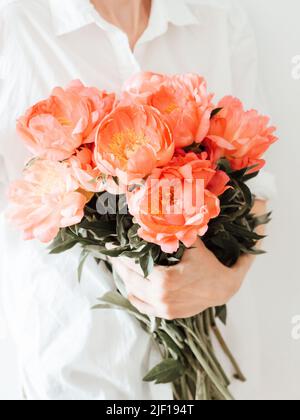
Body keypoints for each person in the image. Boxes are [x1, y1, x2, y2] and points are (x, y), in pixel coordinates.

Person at [0, 0, 275, 400]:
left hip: (214, 359)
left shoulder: (217, 19)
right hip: (76, 366)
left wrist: (228, 278)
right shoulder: (15, 27)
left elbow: (261, 181)